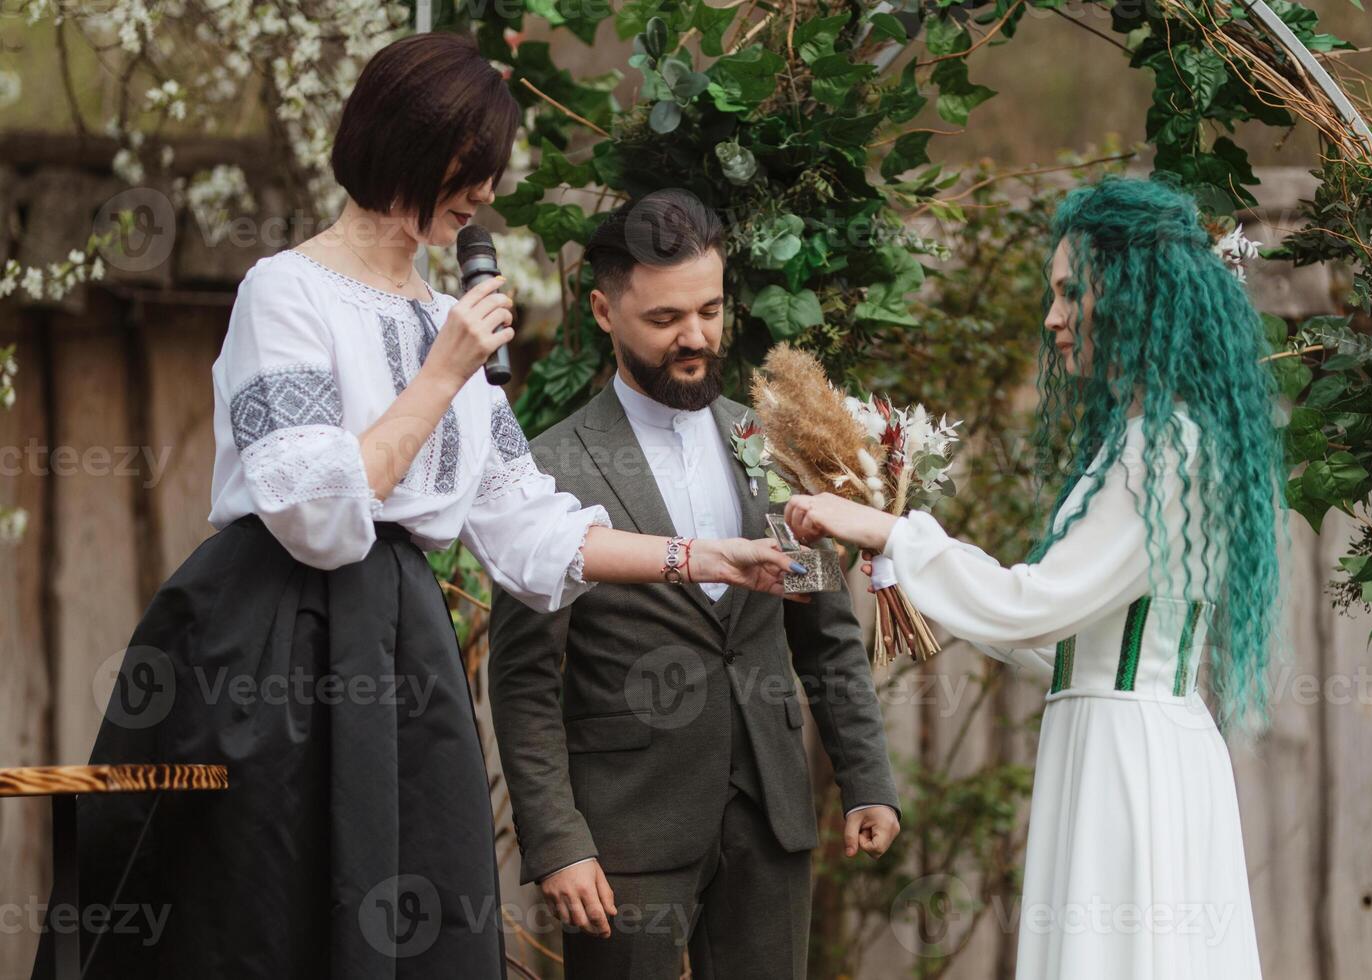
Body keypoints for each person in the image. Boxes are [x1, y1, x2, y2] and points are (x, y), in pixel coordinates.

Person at [31, 33, 801, 980]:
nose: (482, 192)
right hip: (272, 632)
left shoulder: (450, 319)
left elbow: (525, 525)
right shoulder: (286, 294)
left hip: (403, 639)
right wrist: (444, 374)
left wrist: (703, 557)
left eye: (489, 170)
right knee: (267, 908)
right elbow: (314, 511)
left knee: (423, 903)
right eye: (466, 167)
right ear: (402, 144)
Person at [783, 176, 1280, 979]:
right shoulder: (1151, 438)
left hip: (1129, 764)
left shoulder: (1164, 452)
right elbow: (1070, 643)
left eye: (1071, 292)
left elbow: (1035, 605)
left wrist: (887, 529)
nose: (1051, 317)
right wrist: (919, 578)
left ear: (1132, 297)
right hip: (1120, 743)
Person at [487, 190, 902, 979]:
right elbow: (522, 677)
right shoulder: (550, 469)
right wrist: (559, 842)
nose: (696, 338)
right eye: (666, 318)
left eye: (710, 311)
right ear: (605, 312)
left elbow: (826, 629)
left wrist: (866, 781)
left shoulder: (774, 443)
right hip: (622, 839)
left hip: (771, 818)